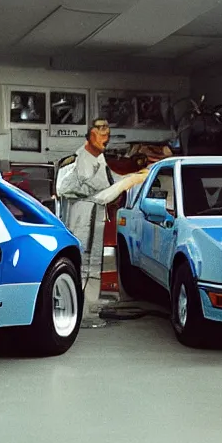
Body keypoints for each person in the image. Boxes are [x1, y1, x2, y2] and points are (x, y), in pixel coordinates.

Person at [56, 118, 150, 315]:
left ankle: (89, 310)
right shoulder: (73, 162)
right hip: (78, 223)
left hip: (96, 222)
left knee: (94, 266)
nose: (105, 142)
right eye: (102, 136)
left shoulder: (101, 162)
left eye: (107, 138)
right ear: (90, 135)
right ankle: (74, 310)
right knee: (79, 266)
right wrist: (130, 181)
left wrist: (137, 177)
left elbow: (112, 183)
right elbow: (65, 188)